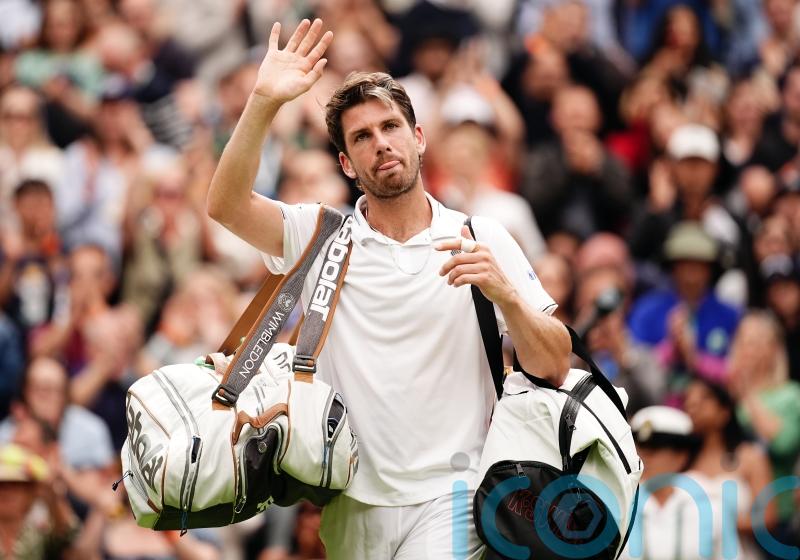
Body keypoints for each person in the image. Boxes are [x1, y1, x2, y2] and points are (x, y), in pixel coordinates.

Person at [206, 18, 570, 559]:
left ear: (418, 137)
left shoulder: (480, 235)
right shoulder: (319, 235)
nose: (382, 143)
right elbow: (226, 206)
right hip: (351, 502)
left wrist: (509, 297)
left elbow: (556, 362)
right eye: (362, 137)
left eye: (391, 126)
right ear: (347, 164)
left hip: (456, 494)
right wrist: (263, 100)